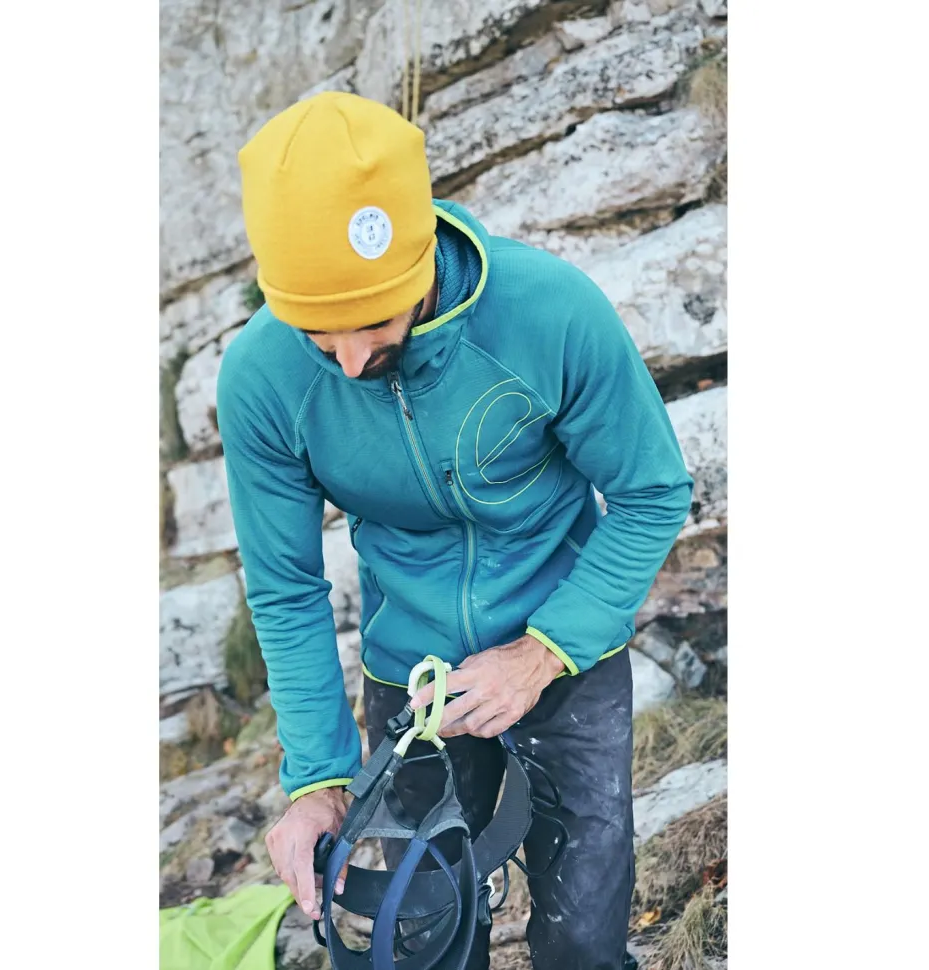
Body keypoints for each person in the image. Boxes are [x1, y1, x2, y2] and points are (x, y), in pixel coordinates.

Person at [216, 91, 693, 970]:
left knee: (584, 939)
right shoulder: (260, 379)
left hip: (566, 654)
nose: (349, 361)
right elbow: (285, 590)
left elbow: (653, 491)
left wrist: (543, 652)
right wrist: (316, 780)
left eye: (374, 322)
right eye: (318, 334)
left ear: (421, 259)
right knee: (423, 938)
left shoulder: (550, 312)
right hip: (412, 678)